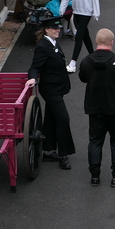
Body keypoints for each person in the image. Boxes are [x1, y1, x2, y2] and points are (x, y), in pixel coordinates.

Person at [79, 28, 115, 187]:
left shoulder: (86, 61)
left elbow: (83, 78)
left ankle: (95, 176)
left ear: (96, 41)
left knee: (95, 141)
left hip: (95, 108)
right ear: (112, 42)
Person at [25, 16, 75, 170]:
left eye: (59, 28)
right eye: (55, 28)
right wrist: (33, 78)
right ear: (47, 29)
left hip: (57, 88)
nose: (58, 30)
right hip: (51, 90)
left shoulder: (52, 43)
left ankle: (48, 150)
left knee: (52, 117)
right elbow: (35, 67)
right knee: (63, 119)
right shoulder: (43, 46)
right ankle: (63, 154)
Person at [59, 0, 99, 73]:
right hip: (77, 9)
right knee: (85, 35)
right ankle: (94, 57)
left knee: (79, 35)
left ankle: (73, 62)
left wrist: (96, 11)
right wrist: (62, 7)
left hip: (86, 10)